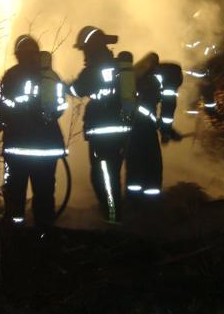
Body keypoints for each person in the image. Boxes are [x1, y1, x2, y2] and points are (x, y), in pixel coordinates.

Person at [0, 35, 68, 230]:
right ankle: (44, 232)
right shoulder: (50, 76)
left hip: (17, 148)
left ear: (18, 55)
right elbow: (60, 107)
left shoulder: (11, 76)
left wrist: (9, 118)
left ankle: (14, 229)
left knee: (15, 191)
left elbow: (0, 106)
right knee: (44, 191)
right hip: (46, 148)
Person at [69, 26, 132, 223]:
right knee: (112, 173)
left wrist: (62, 86)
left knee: (103, 176)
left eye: (84, 49)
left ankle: (113, 218)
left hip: (102, 132)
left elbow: (78, 89)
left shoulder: (92, 70)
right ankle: (114, 214)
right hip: (121, 130)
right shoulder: (118, 66)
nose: (83, 54)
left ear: (92, 48)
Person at [126, 52, 163, 196]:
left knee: (134, 161)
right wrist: (155, 121)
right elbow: (145, 108)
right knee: (152, 161)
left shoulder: (135, 77)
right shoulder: (149, 80)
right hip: (145, 127)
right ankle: (150, 198)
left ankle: (133, 197)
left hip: (133, 128)